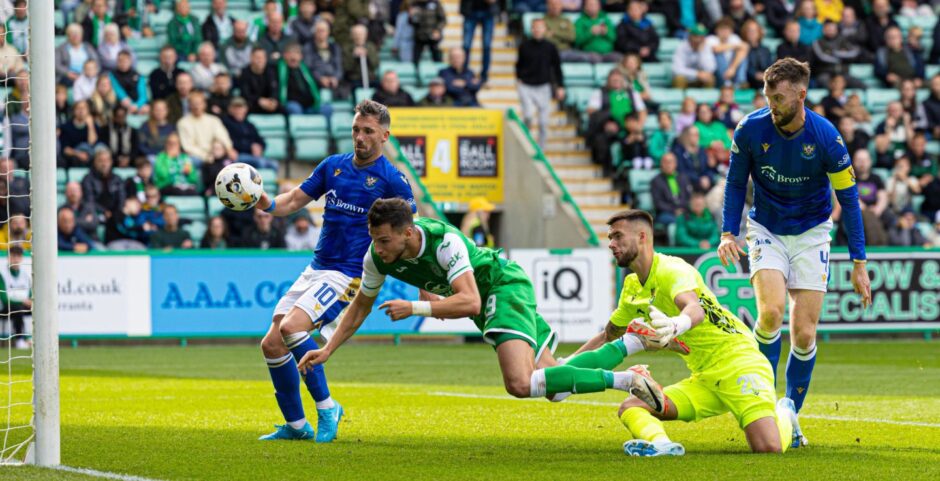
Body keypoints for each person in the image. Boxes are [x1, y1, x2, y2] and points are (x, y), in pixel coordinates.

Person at [296, 198, 666, 421]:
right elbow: (360, 306)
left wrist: (416, 307)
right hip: (489, 302)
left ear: (408, 232)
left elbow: (470, 301)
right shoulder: (378, 256)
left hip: (502, 287)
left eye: (385, 240)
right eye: (374, 240)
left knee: (520, 384)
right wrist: (327, 348)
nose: (378, 248)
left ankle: (629, 381)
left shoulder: (445, 241)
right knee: (554, 384)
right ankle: (629, 345)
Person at [718, 58, 871, 448]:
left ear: (800, 95)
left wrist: (859, 263)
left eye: (779, 97)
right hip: (766, 228)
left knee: (803, 333)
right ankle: (763, 406)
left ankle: (790, 414)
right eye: (768, 95)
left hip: (813, 233)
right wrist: (726, 233)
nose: (771, 103)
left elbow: (849, 200)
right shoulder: (750, 129)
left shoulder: (827, 138)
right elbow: (736, 183)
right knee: (769, 314)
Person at [249, 100, 416, 443]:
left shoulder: (392, 180)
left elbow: (410, 231)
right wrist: (262, 200)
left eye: (368, 131)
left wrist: (421, 279)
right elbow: (294, 200)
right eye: (356, 129)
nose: (360, 137)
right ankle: (297, 427)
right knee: (271, 343)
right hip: (317, 267)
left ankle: (327, 408)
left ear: (384, 135)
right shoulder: (333, 166)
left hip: (348, 273)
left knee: (293, 328)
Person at [575, 209, 797, 456]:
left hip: (739, 362)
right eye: (610, 238)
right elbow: (608, 335)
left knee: (768, 447)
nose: (612, 244)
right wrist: (565, 367)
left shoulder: (671, 269)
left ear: (642, 237)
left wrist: (675, 325)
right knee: (631, 406)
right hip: (704, 377)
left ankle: (785, 413)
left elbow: (695, 309)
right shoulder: (631, 288)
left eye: (617, 236)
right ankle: (662, 445)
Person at [516, 18, 565, 148]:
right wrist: (519, 78)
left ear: (545, 29)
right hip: (526, 85)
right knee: (528, 116)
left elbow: (557, 67)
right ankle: (525, 141)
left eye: (540, 27)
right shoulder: (524, 46)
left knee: (543, 122)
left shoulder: (551, 47)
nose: (537, 30)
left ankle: (541, 148)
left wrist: (560, 86)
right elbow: (519, 64)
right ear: (531, 29)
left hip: (543, 86)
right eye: (534, 27)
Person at [0, 245, 32, 349]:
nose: (16, 259)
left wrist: (31, 302)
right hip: (4, 308)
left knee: (38, 309)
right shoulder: (2, 275)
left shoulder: (25, 275)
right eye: (13, 256)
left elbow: (30, 295)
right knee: (18, 309)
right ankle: (19, 341)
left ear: (22, 258)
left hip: (21, 307)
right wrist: (23, 301)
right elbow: (4, 300)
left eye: (18, 256)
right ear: (8, 258)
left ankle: (32, 338)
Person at [650, 152, 693, 226]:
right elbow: (658, 203)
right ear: (661, 164)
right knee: (678, 222)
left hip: (684, 211)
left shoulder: (683, 178)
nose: (668, 165)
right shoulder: (656, 181)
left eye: (671, 162)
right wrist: (674, 210)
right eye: (665, 162)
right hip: (666, 213)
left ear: (675, 164)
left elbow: (689, 197)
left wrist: (683, 209)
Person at [461, 0, 499, 81]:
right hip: (470, 10)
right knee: (466, 45)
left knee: (487, 46)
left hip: (488, 12)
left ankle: (484, 76)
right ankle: (463, 74)